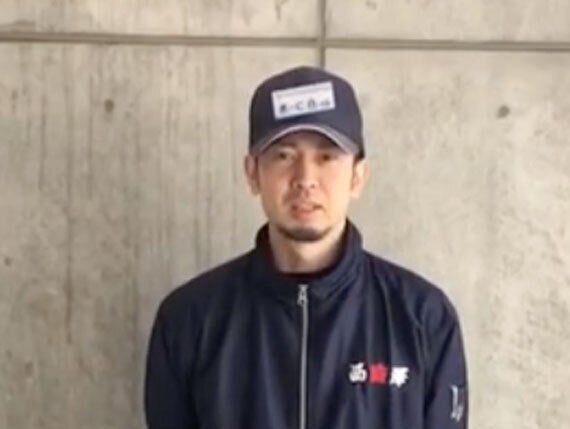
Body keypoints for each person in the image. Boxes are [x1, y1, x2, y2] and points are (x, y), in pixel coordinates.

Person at [144, 65, 468, 429]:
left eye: (326, 157)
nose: (305, 179)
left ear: (357, 176)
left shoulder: (422, 318)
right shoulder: (190, 321)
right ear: (252, 173)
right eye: (284, 156)